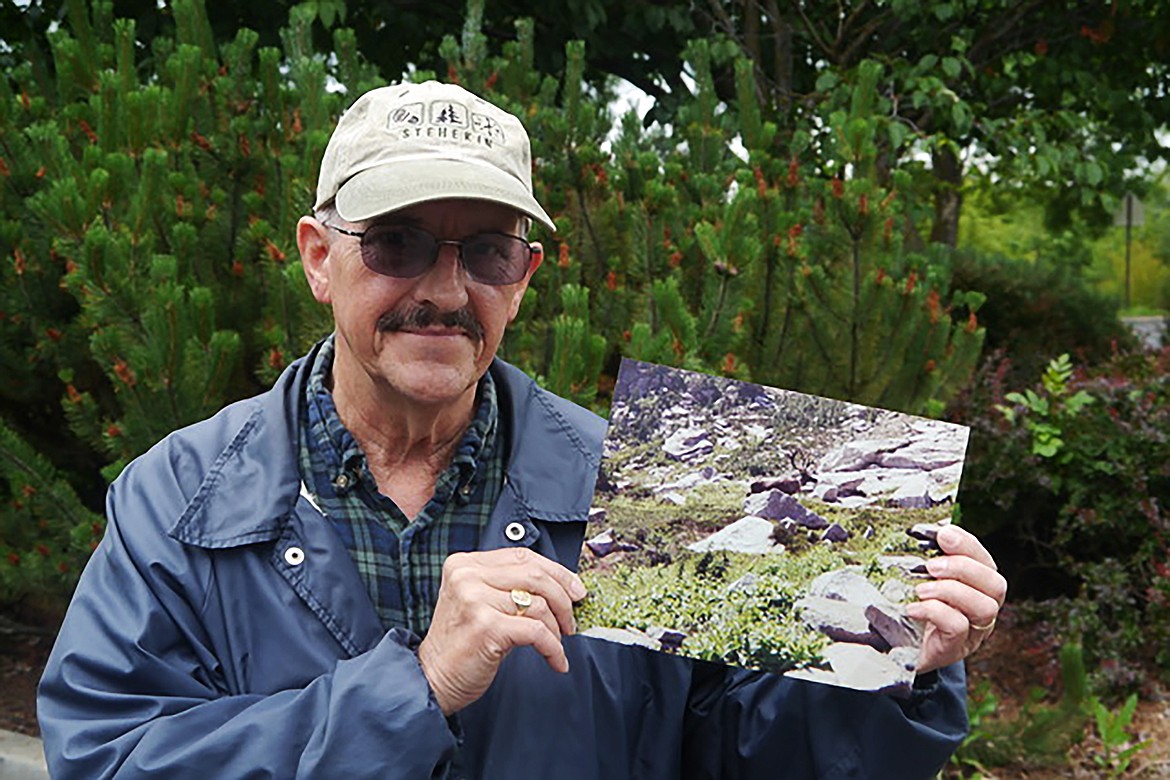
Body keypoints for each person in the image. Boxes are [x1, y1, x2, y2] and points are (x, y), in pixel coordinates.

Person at [38, 81, 1007, 779]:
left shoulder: (661, 485)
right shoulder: (182, 498)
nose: (446, 289)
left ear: (526, 275)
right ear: (318, 257)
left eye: (488, 251)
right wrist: (413, 690)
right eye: (398, 242)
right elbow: (110, 759)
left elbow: (754, 752)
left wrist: (894, 664)